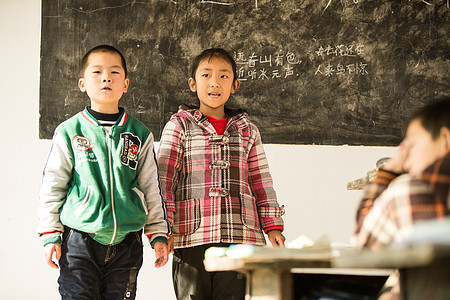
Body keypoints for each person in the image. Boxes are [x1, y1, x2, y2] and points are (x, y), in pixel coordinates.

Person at [37, 45, 170, 300]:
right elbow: (53, 185)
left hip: (127, 243)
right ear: (82, 84)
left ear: (126, 84)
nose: (106, 77)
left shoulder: (140, 134)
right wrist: (50, 233)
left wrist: (158, 232)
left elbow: (151, 187)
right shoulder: (70, 131)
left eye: (114, 72)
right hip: (79, 241)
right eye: (97, 72)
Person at [157, 48, 286, 299]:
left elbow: (261, 181)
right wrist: (163, 228)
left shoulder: (247, 129)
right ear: (193, 84)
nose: (215, 82)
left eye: (223, 76)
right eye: (206, 75)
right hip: (191, 234)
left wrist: (272, 226)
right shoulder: (179, 124)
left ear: (234, 85)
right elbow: (164, 179)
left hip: (239, 235)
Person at [354, 97, 450, 249]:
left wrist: (387, 173)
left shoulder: (408, 192)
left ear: (446, 139)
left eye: (410, 147)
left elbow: (363, 241)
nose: (407, 162)